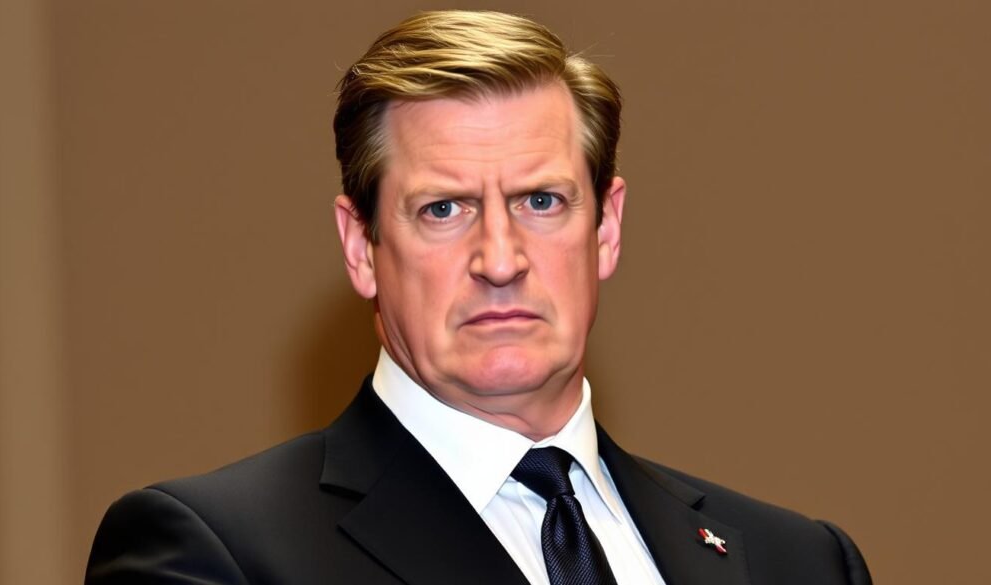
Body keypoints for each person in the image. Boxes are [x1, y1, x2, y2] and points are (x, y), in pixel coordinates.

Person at [86, 10, 872, 585]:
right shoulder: (218, 552)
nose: (500, 259)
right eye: (443, 209)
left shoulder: (798, 562)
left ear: (606, 228)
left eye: (541, 201)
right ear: (361, 246)